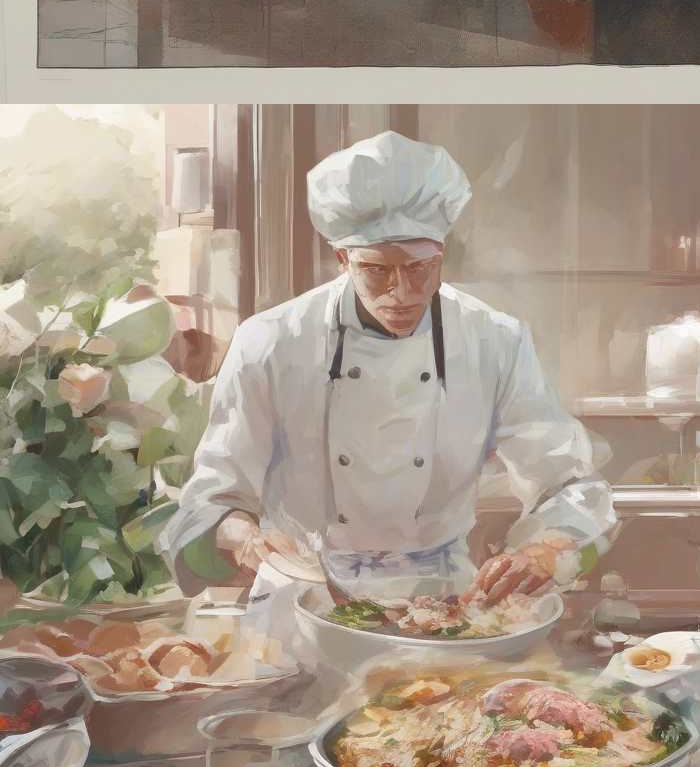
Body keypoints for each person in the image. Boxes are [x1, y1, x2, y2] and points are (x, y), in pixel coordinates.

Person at [158, 131, 616, 634]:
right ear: (342, 259)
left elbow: (570, 484)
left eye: (421, 269)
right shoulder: (270, 341)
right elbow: (213, 498)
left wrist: (544, 551)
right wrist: (246, 538)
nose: (402, 292)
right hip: (302, 600)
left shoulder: (495, 340)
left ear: (441, 255)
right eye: (377, 271)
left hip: (450, 608)